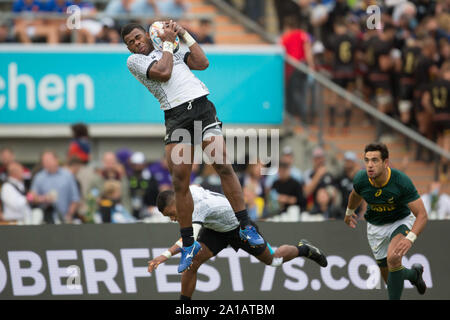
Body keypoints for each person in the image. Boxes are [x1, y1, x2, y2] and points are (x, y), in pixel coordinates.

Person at [121, 21, 264, 273]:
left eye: (137, 37)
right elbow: (164, 72)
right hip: (176, 117)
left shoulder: (168, 46)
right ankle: (188, 243)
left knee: (222, 164)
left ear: (146, 33)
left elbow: (202, 62)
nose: (136, 44)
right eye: (130, 43)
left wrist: (183, 33)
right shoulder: (135, 62)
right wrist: (167, 42)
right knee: (180, 182)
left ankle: (245, 225)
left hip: (200, 108)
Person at [148, 185, 328, 300]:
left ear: (178, 203)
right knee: (192, 262)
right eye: (169, 217)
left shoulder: (198, 207)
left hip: (239, 227)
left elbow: (188, 239)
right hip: (215, 229)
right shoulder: (187, 193)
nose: (172, 219)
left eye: (172, 213)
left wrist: (164, 255)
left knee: (274, 261)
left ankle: (304, 249)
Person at [344, 142, 428, 300]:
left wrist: (410, 238)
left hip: (400, 221)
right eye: (367, 160)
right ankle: (413, 274)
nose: (370, 165)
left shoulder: (400, 181)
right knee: (390, 278)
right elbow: (355, 195)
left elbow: (422, 215)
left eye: (375, 160)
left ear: (386, 163)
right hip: (375, 227)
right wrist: (349, 212)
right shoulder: (362, 178)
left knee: (393, 258)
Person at [29, 151, 80, 224]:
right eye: (44, 161)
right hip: (45, 220)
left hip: (64, 219)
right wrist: (42, 198)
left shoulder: (68, 175)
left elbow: (75, 198)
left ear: (56, 160)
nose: (46, 163)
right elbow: (30, 197)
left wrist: (69, 215)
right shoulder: (39, 177)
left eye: (48, 160)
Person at [128, 151, 159, 219]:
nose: (137, 167)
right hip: (134, 210)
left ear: (143, 164)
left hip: (150, 209)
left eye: (139, 165)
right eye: (135, 165)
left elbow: (154, 192)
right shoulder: (131, 177)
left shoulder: (150, 178)